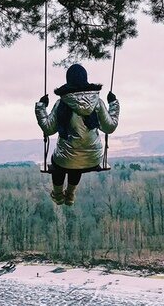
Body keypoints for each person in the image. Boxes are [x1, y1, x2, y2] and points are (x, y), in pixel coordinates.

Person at [35, 64, 120, 206]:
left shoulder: (61, 103)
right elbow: (109, 127)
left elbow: (48, 129)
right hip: (93, 158)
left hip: (67, 158)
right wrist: (113, 104)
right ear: (85, 80)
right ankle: (70, 194)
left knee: (62, 161)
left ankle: (57, 195)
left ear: (68, 81)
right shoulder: (97, 103)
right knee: (78, 160)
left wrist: (41, 107)